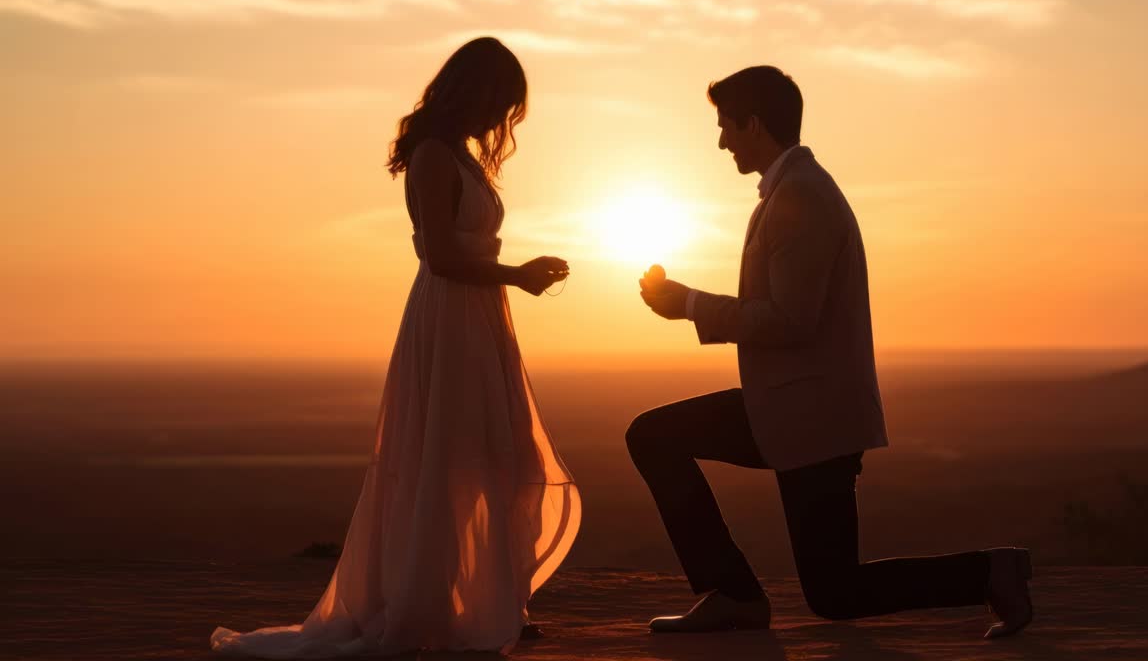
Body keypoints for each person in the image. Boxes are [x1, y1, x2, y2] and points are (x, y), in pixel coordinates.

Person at [631, 65, 1032, 638]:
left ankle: (992, 572)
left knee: (835, 592)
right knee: (654, 437)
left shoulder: (802, 196)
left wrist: (691, 303)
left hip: (811, 417)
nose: (721, 141)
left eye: (726, 126)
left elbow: (792, 321)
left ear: (754, 124)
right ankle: (733, 594)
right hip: (789, 409)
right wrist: (687, 303)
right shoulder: (793, 190)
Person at [211, 37, 581, 657]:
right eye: (499, 102)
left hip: (480, 317)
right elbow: (441, 257)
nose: (501, 118)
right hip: (451, 318)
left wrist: (514, 277)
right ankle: (439, 608)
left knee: (500, 454)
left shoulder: (461, 156)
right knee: (454, 459)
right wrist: (516, 274)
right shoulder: (433, 156)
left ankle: (490, 601)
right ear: (474, 92)